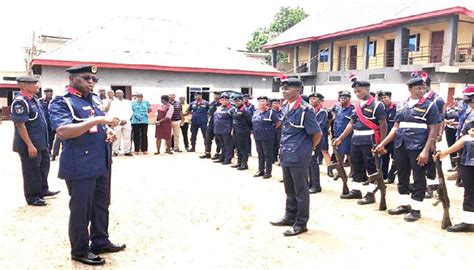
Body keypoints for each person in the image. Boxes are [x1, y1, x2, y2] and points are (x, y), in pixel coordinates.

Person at [49, 65, 125, 265]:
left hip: (100, 161)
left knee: (101, 205)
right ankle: (80, 250)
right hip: (80, 165)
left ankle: (100, 240)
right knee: (81, 209)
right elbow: (64, 131)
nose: (91, 82)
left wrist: (107, 131)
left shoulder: (93, 99)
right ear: (73, 79)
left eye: (94, 79)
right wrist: (98, 120)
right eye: (86, 78)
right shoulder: (62, 102)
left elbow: (96, 128)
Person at [374, 74, 439, 222]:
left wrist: (425, 150)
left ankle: (416, 209)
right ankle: (405, 205)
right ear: (410, 89)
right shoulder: (402, 105)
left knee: (418, 177)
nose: (422, 90)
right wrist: (382, 143)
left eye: (423, 88)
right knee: (402, 175)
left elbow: (433, 130)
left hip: (418, 146)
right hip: (401, 145)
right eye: (418, 88)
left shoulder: (430, 105)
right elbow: (395, 128)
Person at [270, 78, 321, 237]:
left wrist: (308, 148)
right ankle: (289, 216)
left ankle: (301, 223)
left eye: (288, 88)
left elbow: (317, 133)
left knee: (300, 190)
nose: (284, 91)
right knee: (289, 188)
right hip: (286, 152)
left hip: (299, 154)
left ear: (298, 90)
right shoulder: (286, 106)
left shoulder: (306, 110)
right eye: (282, 88)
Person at [333, 76, 387, 205]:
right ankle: (356, 190)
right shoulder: (357, 106)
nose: (357, 94)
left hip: (370, 139)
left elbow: (383, 125)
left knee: (372, 167)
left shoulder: (377, 105)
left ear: (367, 90)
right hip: (356, 139)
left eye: (360, 91)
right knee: (356, 165)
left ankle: (370, 193)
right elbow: (351, 124)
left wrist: (382, 144)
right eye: (355, 92)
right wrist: (340, 138)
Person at [11, 76, 59, 206]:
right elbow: (20, 125)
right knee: (31, 170)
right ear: (25, 86)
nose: (37, 86)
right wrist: (30, 145)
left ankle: (43, 190)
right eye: (34, 84)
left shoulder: (34, 100)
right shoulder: (20, 102)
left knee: (43, 167)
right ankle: (32, 197)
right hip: (29, 145)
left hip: (41, 143)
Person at [436, 86, 474, 232]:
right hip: (468, 158)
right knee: (470, 191)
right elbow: (465, 138)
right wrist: (446, 152)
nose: (470, 103)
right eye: (468, 100)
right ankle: (469, 221)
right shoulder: (469, 113)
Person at [252, 96, 281, 179]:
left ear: (267, 102)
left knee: (267, 155)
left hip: (267, 137)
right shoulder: (256, 112)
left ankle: (268, 172)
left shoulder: (271, 112)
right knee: (260, 154)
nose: (262, 103)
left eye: (263, 101)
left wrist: (270, 130)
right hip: (257, 136)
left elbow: (278, 123)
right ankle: (260, 170)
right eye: (260, 101)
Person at [332, 91, 354, 178]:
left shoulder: (352, 108)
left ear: (349, 99)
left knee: (349, 155)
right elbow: (335, 119)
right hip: (337, 134)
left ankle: (352, 172)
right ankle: (340, 171)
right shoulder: (338, 108)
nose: (343, 99)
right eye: (341, 98)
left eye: (345, 98)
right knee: (339, 154)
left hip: (348, 135)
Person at [308, 93, 328, 193]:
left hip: (317, 139)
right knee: (308, 162)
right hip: (308, 139)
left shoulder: (322, 112)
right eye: (310, 98)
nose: (312, 100)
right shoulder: (309, 111)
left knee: (313, 162)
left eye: (315, 98)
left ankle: (316, 185)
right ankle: (310, 183)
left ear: (320, 101)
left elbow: (318, 127)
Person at [378, 91, 397, 183]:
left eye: (385, 97)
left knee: (395, 158)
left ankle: (391, 177)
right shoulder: (380, 109)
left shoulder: (397, 108)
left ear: (390, 98)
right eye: (381, 98)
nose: (383, 99)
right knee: (383, 158)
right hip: (384, 138)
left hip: (395, 138)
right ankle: (383, 176)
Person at [108, 90, 133, 156]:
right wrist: (119, 121)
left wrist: (126, 120)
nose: (118, 94)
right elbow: (111, 112)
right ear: (115, 95)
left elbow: (130, 112)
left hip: (126, 122)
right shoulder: (113, 103)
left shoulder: (128, 102)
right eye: (117, 93)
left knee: (127, 137)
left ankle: (127, 151)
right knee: (116, 137)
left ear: (123, 94)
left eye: (120, 93)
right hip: (117, 122)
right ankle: (115, 151)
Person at [231, 94, 252, 170]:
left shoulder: (245, 110)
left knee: (244, 148)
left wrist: (247, 130)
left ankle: (244, 164)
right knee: (238, 147)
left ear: (242, 101)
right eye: (235, 101)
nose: (237, 102)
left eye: (238, 101)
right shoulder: (236, 109)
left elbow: (249, 121)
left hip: (243, 132)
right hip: (236, 131)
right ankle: (239, 162)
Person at [213, 94, 235, 165]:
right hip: (218, 129)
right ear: (220, 101)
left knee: (228, 145)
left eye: (226, 100)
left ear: (228, 101)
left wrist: (232, 129)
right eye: (222, 100)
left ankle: (228, 158)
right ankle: (222, 157)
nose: (224, 101)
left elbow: (234, 120)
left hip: (226, 129)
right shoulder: (218, 108)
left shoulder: (231, 109)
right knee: (221, 144)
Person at [200, 91, 221, 159]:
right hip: (211, 123)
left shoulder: (221, 103)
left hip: (218, 123)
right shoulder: (211, 103)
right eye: (215, 94)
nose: (215, 95)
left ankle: (218, 153)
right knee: (208, 138)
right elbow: (208, 112)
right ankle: (207, 153)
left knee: (218, 139)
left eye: (217, 94)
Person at [444, 96, 463, 170]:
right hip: (449, 129)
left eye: (458, 99)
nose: (456, 101)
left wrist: (457, 123)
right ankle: (453, 165)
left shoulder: (464, 110)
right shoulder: (449, 109)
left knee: (459, 148)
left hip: (459, 130)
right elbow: (443, 118)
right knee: (451, 147)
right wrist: (449, 121)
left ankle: (459, 166)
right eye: (455, 99)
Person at [39, 88, 55, 155]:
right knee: (44, 138)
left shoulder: (55, 101)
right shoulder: (40, 101)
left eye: (50, 92)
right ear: (44, 93)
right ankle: (44, 151)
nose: (49, 93)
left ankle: (49, 151)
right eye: (47, 92)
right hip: (43, 123)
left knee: (51, 138)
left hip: (52, 124)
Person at [271, 99, 283, 164]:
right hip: (272, 130)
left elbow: (281, 119)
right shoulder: (270, 111)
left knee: (280, 145)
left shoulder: (282, 111)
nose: (276, 104)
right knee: (273, 144)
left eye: (277, 103)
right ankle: (273, 158)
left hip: (280, 130)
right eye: (274, 103)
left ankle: (281, 160)